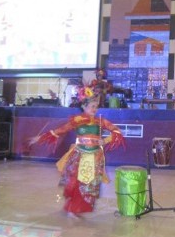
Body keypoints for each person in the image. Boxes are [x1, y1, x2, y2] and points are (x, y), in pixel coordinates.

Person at [30, 85, 125, 218]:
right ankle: (72, 209)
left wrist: (105, 141)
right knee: (76, 181)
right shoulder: (77, 120)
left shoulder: (100, 121)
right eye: (92, 106)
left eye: (96, 106)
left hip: (95, 156)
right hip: (79, 154)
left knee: (89, 183)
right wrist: (40, 138)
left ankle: (78, 208)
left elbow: (116, 131)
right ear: (84, 106)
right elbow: (60, 130)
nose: (95, 109)